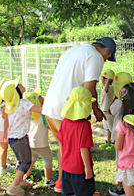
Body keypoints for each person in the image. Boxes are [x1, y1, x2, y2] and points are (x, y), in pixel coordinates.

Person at [41, 37, 117, 193]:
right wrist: (96, 109)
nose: (106, 60)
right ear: (107, 51)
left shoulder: (74, 50)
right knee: (78, 148)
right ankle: (80, 187)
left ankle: (62, 183)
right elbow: (90, 87)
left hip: (51, 106)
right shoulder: (95, 56)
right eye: (108, 57)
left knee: (65, 146)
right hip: (69, 110)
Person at [0, 79, 43, 196]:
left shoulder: (5, 105)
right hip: (21, 139)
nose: (21, 84)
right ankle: (13, 187)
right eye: (18, 85)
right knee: (25, 162)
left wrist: (5, 134)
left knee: (20, 160)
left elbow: (5, 121)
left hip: (12, 138)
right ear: (16, 91)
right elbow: (40, 110)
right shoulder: (24, 103)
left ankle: (20, 181)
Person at [57, 86, 96, 196]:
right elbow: (83, 148)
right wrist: (88, 168)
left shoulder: (64, 121)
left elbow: (60, 142)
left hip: (66, 166)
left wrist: (64, 158)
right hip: (80, 169)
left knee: (69, 193)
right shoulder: (85, 125)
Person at [23, 89, 55, 187]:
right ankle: (48, 180)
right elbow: (49, 126)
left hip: (30, 142)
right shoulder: (42, 115)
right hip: (42, 143)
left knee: (32, 159)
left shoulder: (28, 115)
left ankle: (26, 175)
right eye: (39, 97)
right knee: (48, 159)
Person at [108, 72, 132, 196]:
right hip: (131, 138)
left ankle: (121, 187)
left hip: (119, 136)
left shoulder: (118, 102)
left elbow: (110, 111)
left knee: (120, 161)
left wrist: (114, 99)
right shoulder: (133, 99)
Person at [99, 69, 115, 149]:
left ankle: (114, 141)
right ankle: (108, 140)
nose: (102, 80)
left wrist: (108, 82)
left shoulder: (110, 88)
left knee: (111, 127)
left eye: (103, 78)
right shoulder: (106, 88)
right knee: (107, 127)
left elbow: (106, 90)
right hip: (104, 110)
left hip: (108, 111)